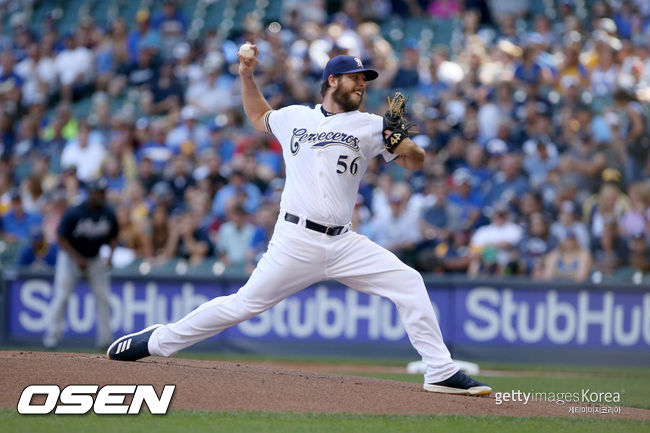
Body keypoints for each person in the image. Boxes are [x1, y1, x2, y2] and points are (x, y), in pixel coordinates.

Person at [107, 50, 491, 396]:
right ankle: (158, 341)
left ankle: (439, 370)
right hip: (295, 239)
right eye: (356, 77)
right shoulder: (295, 117)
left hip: (344, 242)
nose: (362, 84)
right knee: (242, 305)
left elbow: (415, 161)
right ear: (332, 81)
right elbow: (258, 115)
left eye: (365, 79)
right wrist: (246, 76)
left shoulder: (372, 125)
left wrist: (400, 138)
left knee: (409, 282)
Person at [43, 178, 119, 349]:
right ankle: (52, 337)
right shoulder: (75, 212)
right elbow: (61, 238)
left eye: (102, 192)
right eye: (97, 192)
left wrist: (111, 256)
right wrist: (77, 258)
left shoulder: (108, 213)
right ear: (90, 193)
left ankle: (105, 340)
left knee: (103, 297)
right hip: (70, 258)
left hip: (95, 259)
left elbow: (114, 237)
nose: (100, 195)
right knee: (61, 296)